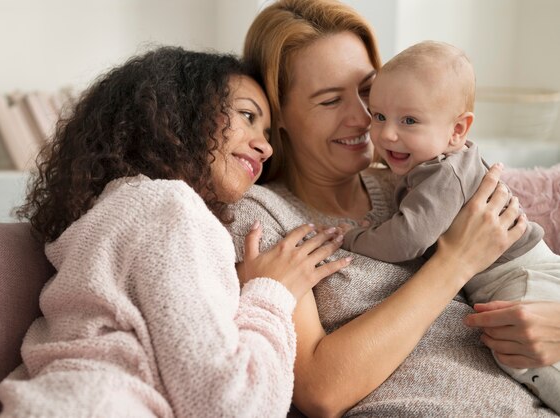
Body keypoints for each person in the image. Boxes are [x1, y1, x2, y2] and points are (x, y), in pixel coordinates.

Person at [228, 0, 560, 416]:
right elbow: (321, 393)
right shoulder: (261, 216)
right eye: (330, 101)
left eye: (367, 91)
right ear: (279, 114)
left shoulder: (416, 175)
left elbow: (530, 272)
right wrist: (455, 262)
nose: (364, 117)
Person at [0, 46, 351, 417]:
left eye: (266, 132)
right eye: (247, 116)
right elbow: (232, 406)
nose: (265, 147)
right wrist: (272, 294)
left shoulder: (118, 208)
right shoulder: (168, 206)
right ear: (182, 114)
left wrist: (239, 286)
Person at [339, 40, 560, 413]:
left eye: (408, 120)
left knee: (517, 353)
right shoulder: (434, 165)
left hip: (521, 277)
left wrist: (353, 236)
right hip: (532, 268)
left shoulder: (444, 174)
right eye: (378, 116)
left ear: (457, 130)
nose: (387, 134)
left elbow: (406, 239)